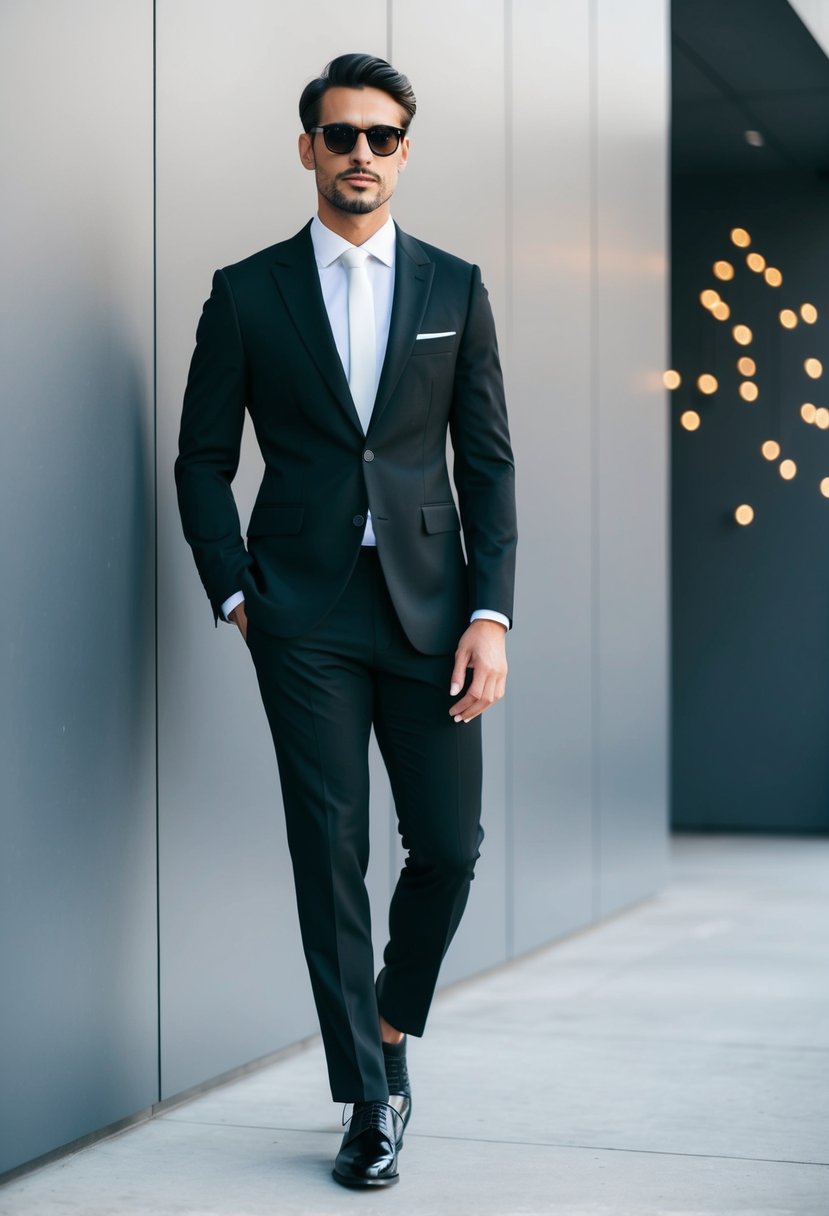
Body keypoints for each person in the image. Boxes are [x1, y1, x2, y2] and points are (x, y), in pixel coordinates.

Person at [175, 52, 516, 1189]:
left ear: (404, 152)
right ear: (307, 147)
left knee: (450, 851)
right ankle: (368, 1106)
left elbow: (490, 467)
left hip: (431, 612)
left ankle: (387, 1025)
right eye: (339, 134)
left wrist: (492, 614)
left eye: (379, 136)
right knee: (331, 852)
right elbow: (202, 458)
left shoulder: (454, 288)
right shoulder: (247, 291)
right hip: (303, 616)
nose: (359, 152)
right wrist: (234, 589)